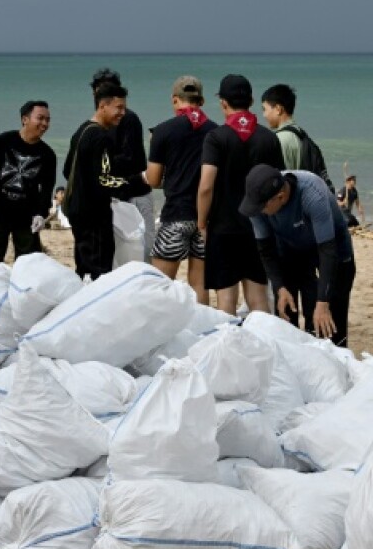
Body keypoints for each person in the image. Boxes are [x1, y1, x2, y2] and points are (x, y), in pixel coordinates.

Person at [239, 165, 356, 347]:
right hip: (290, 247)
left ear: (280, 197)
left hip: (332, 247)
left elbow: (328, 251)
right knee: (286, 309)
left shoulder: (312, 195)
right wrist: (279, 287)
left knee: (331, 313)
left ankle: (336, 355)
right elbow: (266, 249)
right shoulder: (258, 202)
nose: (258, 212)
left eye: (262, 207)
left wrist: (323, 303)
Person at [198, 74, 285, 315]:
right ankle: (262, 344)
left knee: (226, 300)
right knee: (258, 298)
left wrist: (201, 222)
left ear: (223, 103)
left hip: (223, 227)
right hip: (260, 226)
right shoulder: (268, 138)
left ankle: (229, 349)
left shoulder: (216, 138)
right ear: (252, 100)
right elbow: (280, 184)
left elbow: (206, 186)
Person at [63, 81, 150, 279]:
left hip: (78, 212)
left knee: (83, 268)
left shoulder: (82, 130)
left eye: (124, 108)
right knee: (99, 270)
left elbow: (68, 170)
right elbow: (105, 180)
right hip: (93, 215)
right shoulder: (101, 138)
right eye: (118, 108)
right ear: (103, 106)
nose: (122, 113)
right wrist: (140, 180)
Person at [145, 76, 216, 302]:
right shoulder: (216, 132)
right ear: (202, 101)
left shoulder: (163, 131)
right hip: (207, 217)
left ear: (175, 100)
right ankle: (201, 332)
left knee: (161, 285)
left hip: (176, 215)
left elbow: (154, 179)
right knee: (200, 284)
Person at [0, 100, 56, 267]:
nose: (44, 124)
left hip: (26, 217)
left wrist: (41, 213)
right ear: (25, 119)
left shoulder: (47, 155)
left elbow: (47, 188)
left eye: (47, 119)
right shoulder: (4, 141)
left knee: (28, 263)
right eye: (40, 118)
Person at [91, 69, 152, 260]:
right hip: (114, 194)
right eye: (100, 91)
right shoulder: (97, 125)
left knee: (143, 248)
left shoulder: (128, 119)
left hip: (136, 193)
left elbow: (132, 158)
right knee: (118, 251)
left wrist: (99, 166)